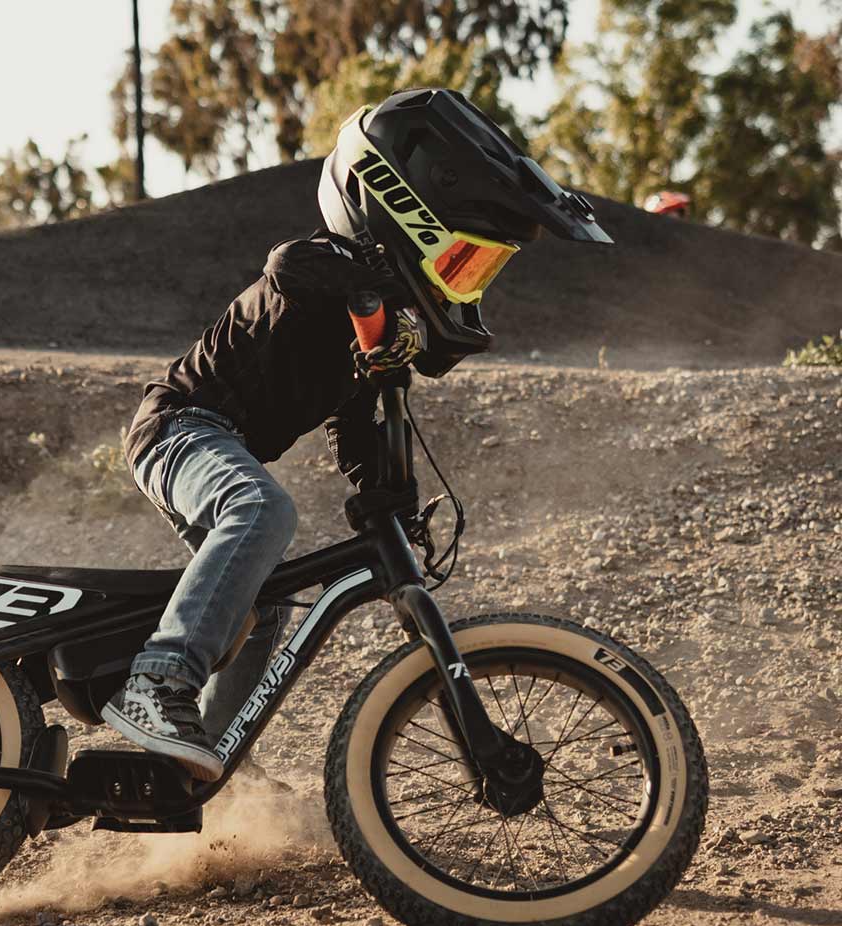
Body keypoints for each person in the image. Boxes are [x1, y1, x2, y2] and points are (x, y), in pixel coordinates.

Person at [100, 88, 613, 779]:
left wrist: (389, 503)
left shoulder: (366, 332)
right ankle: (158, 679)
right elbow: (289, 263)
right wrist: (367, 286)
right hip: (178, 429)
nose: (469, 281)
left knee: (268, 602)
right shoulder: (325, 270)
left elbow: (355, 433)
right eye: (465, 260)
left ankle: (201, 758)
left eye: (482, 269)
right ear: (410, 221)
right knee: (261, 510)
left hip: (219, 442)